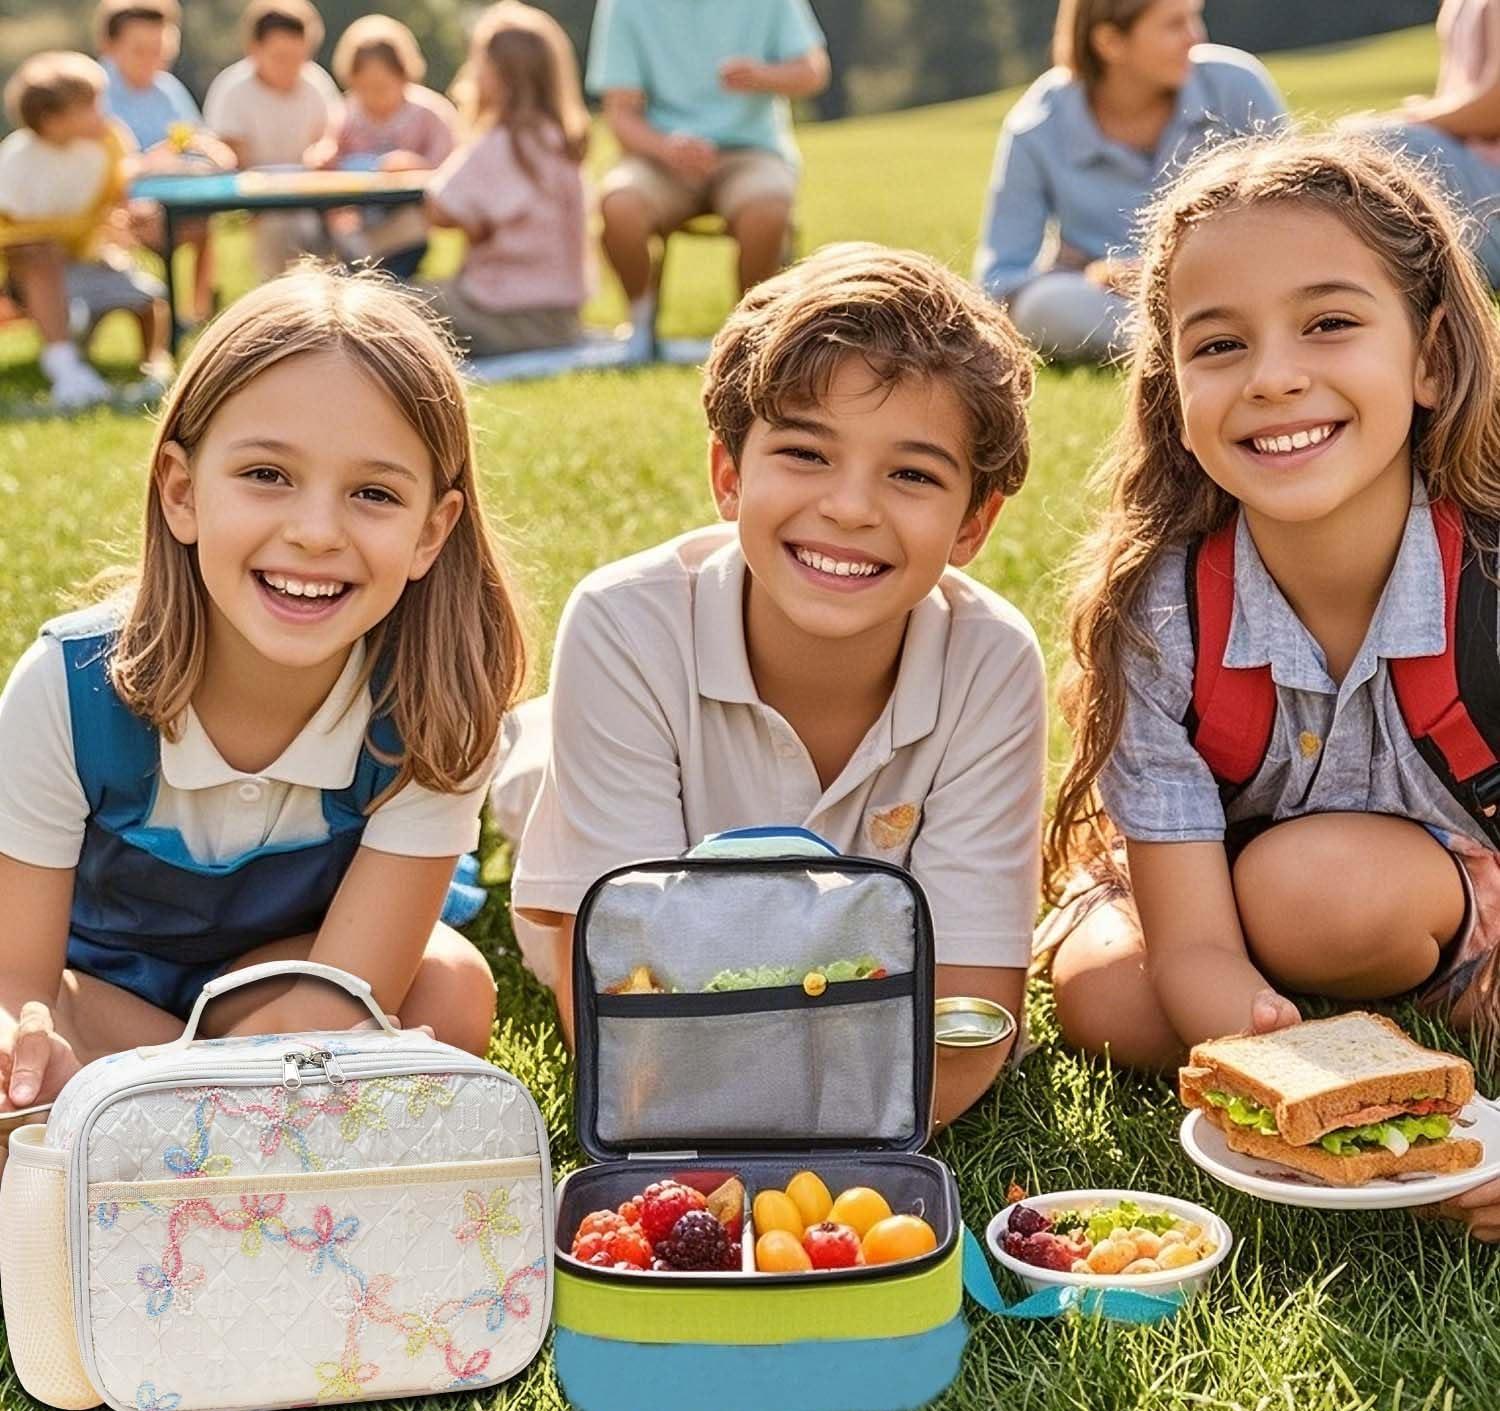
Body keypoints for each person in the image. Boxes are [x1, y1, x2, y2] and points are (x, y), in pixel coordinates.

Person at [493, 244, 1047, 1128]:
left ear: (974, 523)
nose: (852, 508)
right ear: (728, 475)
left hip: (804, 931)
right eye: (806, 453)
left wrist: (770, 1107)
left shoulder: (993, 662)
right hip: (604, 769)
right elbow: (617, 1015)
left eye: (912, 474)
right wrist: (843, 1090)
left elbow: (970, 1019)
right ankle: (530, 743)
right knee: (526, 775)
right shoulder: (622, 625)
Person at [1042, 130, 1500, 1138]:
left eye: (1329, 323)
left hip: (1426, 888)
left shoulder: (1491, 581)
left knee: (1311, 893)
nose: (1273, 378)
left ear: (1428, 359)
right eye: (1219, 345)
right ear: (1173, 391)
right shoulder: (1159, 615)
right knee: (1107, 995)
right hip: (1211, 891)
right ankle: (1335, 1018)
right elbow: (1194, 948)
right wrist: (1311, 1090)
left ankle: (1444, 987)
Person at [0, 267, 526, 1134]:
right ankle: (225, 1119)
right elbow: (22, 980)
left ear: (432, 531)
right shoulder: (66, 688)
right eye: (267, 474)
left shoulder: (438, 705)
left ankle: (145, 1116)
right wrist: (36, 1044)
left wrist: (135, 1096)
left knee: (452, 993)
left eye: (374, 494)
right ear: (181, 491)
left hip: (291, 987)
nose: (316, 531)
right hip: (96, 990)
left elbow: (349, 992)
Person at [974, 0, 1284, 364]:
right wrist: (1089, 276)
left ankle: (1206, 344)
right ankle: (1206, 346)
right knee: (1044, 307)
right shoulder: (1036, 128)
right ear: (1110, 42)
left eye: (1194, 17)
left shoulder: (1237, 86)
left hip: (1240, 282)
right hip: (1119, 307)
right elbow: (1001, 282)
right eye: (1174, 25)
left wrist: (1176, 268)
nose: (1195, 37)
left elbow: (1296, 218)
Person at [585, 0, 830, 360]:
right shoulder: (625, 5)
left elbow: (813, 71)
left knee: (769, 204)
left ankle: (750, 335)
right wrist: (667, 148)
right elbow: (620, 113)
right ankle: (640, 328)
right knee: (618, 202)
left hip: (750, 152)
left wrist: (763, 76)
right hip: (660, 157)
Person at [0, 50, 169, 408]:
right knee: (41, 256)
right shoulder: (17, 161)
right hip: (24, 275)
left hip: (87, 258)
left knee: (148, 298)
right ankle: (65, 368)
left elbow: (121, 194)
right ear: (53, 121)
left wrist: (135, 215)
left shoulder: (108, 144)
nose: (104, 112)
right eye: (92, 105)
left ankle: (155, 364)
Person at [424, 2, 588, 358]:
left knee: (388, 306)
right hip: (561, 318)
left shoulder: (501, 143)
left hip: (501, 313)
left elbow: (438, 207)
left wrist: (471, 220)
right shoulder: (559, 141)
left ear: (496, 74)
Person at [96, 0, 233, 324]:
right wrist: (155, 159)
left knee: (202, 222)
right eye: (140, 50)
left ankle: (195, 318)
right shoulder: (95, 92)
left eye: (160, 50)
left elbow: (195, 138)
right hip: (114, 207)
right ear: (110, 46)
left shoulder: (168, 88)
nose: (152, 60)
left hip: (169, 199)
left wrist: (209, 150)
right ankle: (158, 317)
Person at [1358, 0, 1500, 289]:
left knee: (1381, 142)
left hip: (1492, 193)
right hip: (1476, 173)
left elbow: (1494, 109)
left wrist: (1416, 118)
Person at [308, 14, 457, 281]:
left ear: (403, 76)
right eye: (363, 88)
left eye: (381, 87)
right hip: (358, 221)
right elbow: (328, 150)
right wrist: (323, 156)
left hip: (407, 224)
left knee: (407, 231)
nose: (372, 97)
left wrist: (416, 165)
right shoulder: (346, 112)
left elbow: (453, 168)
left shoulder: (430, 113)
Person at [203, 0, 341, 277]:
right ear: (254, 49)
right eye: (280, 57)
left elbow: (329, 136)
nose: (291, 67)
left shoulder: (317, 83)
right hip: (257, 203)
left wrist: (324, 150)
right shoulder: (232, 91)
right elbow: (232, 159)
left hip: (312, 196)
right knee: (284, 227)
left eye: (299, 57)